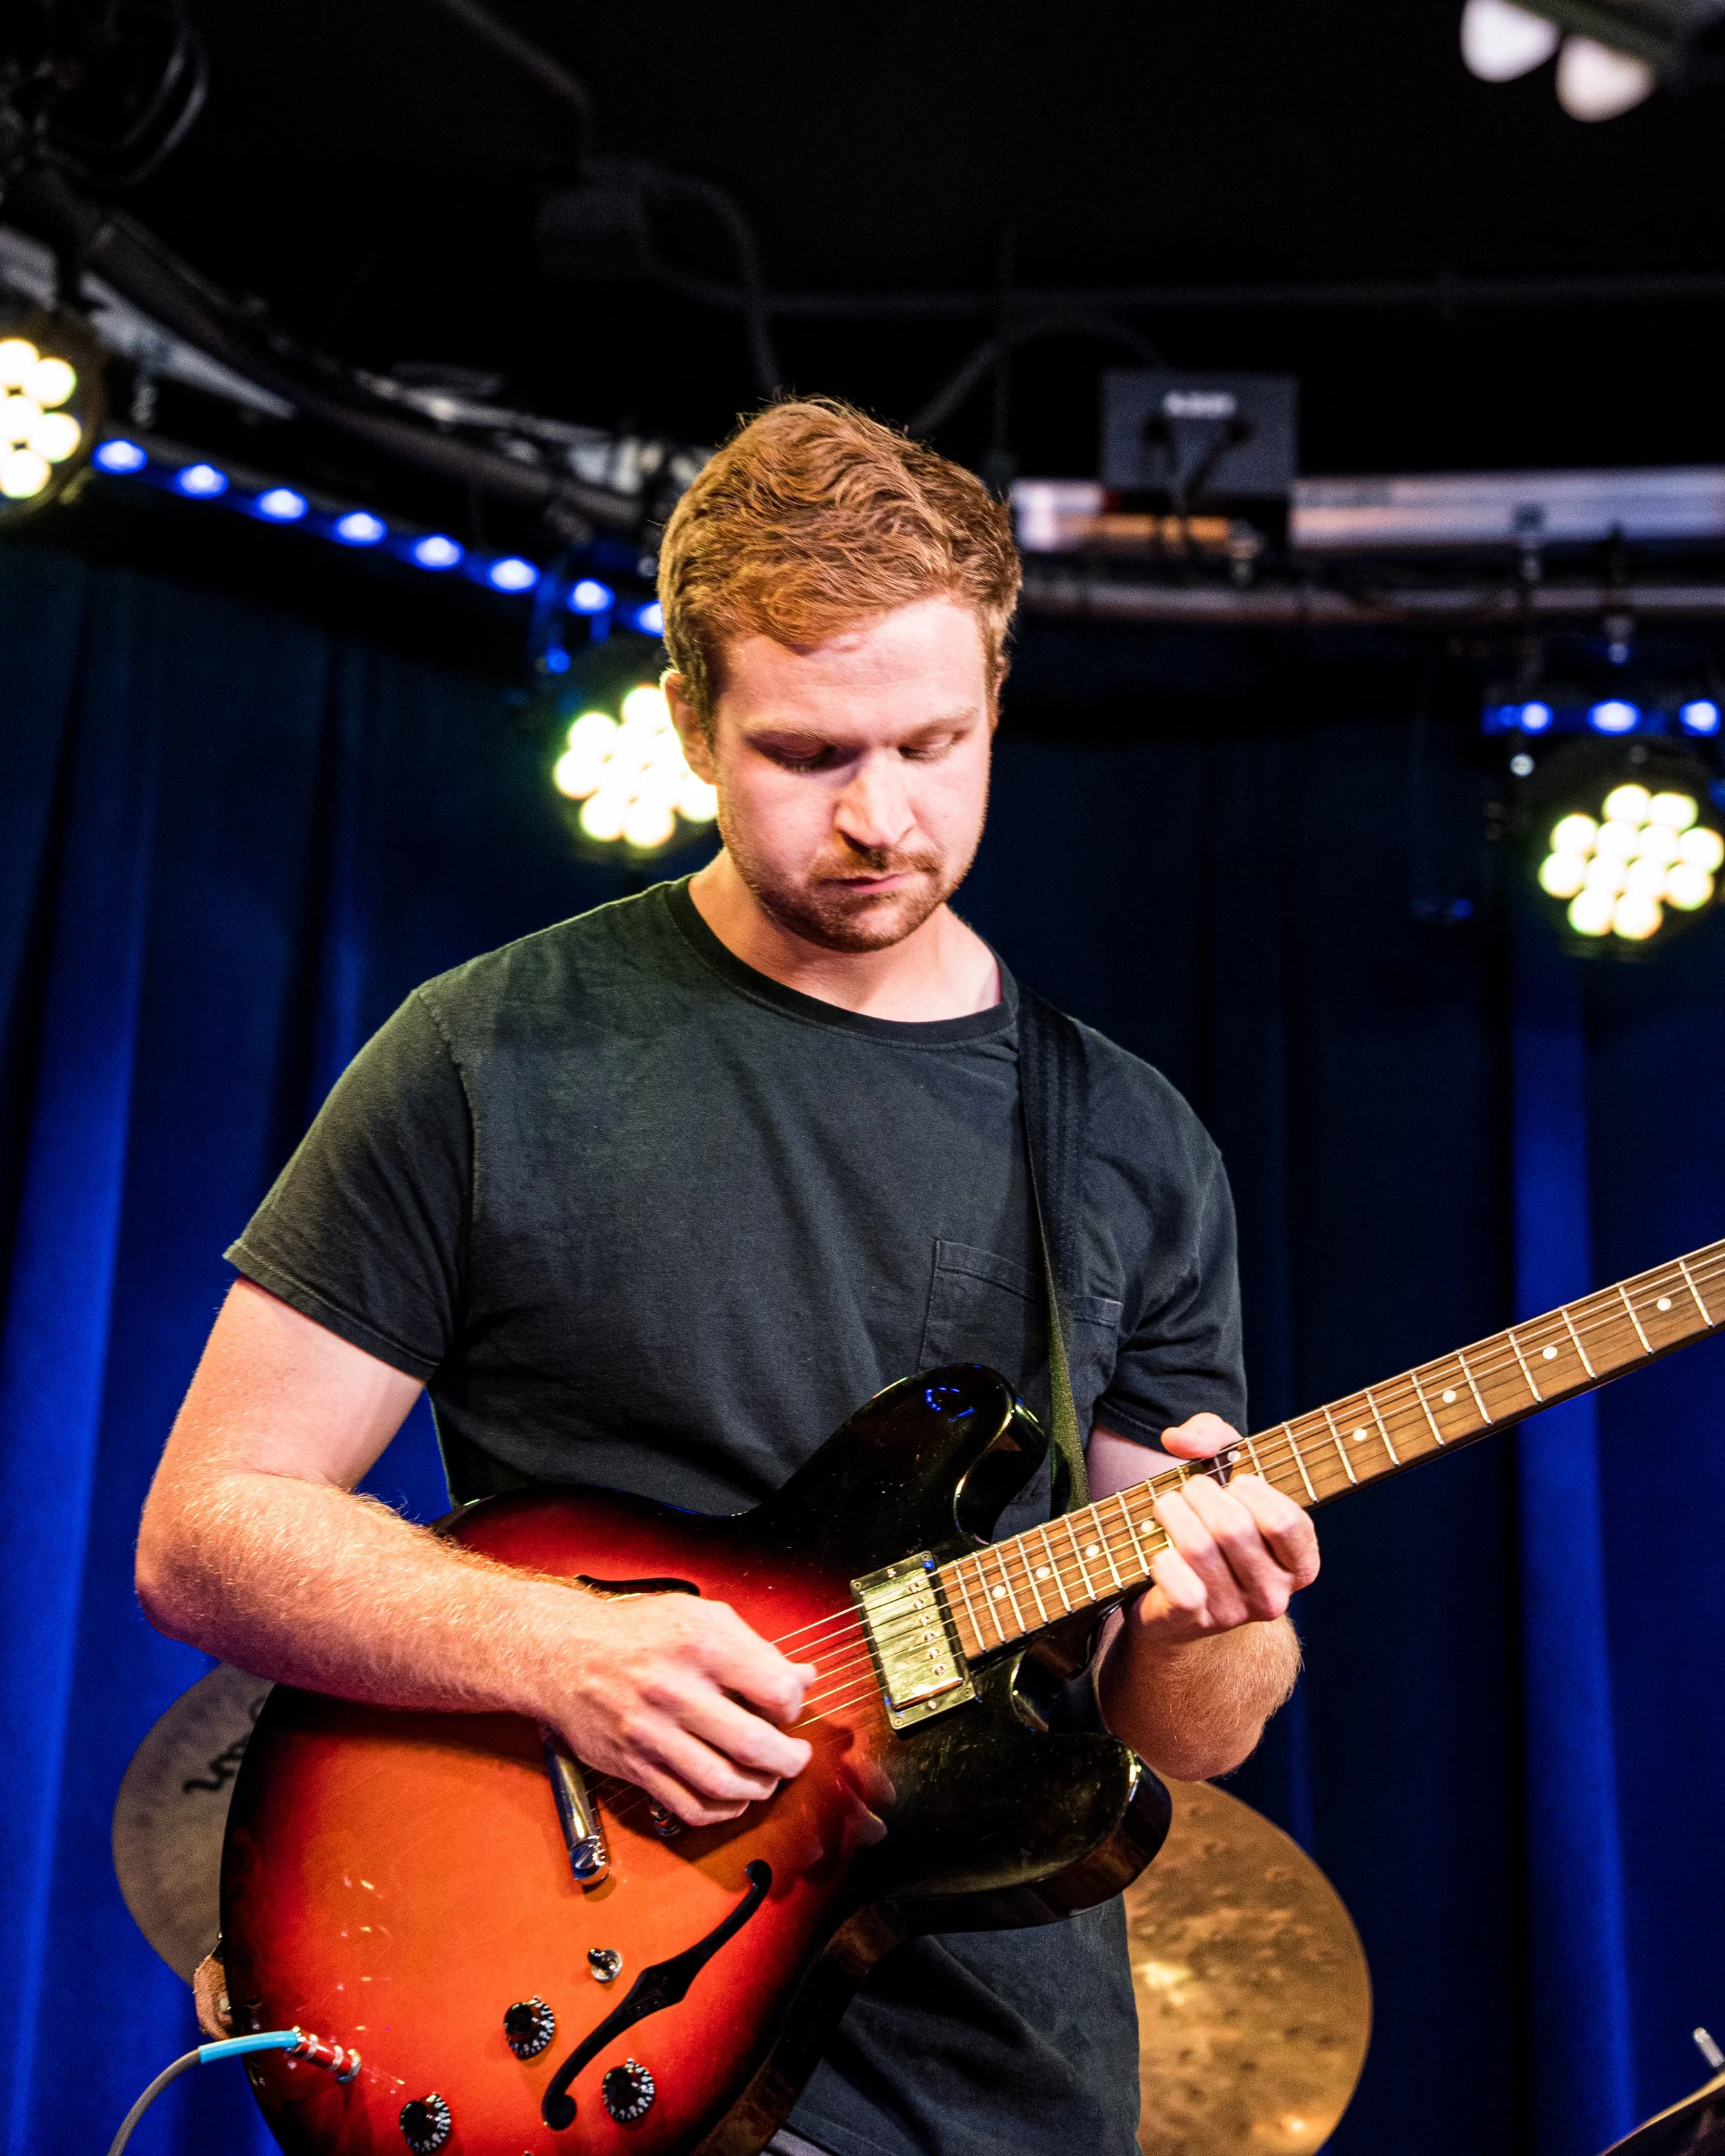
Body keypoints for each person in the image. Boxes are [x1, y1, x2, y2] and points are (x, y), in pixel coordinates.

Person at [137, 397, 1319, 2156]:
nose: (877, 817)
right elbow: (208, 1528)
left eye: (931, 743)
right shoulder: (488, 1052)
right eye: (807, 753)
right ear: (688, 719)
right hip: (589, 2047)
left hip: (997, 2086)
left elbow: (1188, 1737)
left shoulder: (1127, 1138)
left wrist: (1216, 1609)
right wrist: (554, 1647)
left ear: (995, 694)